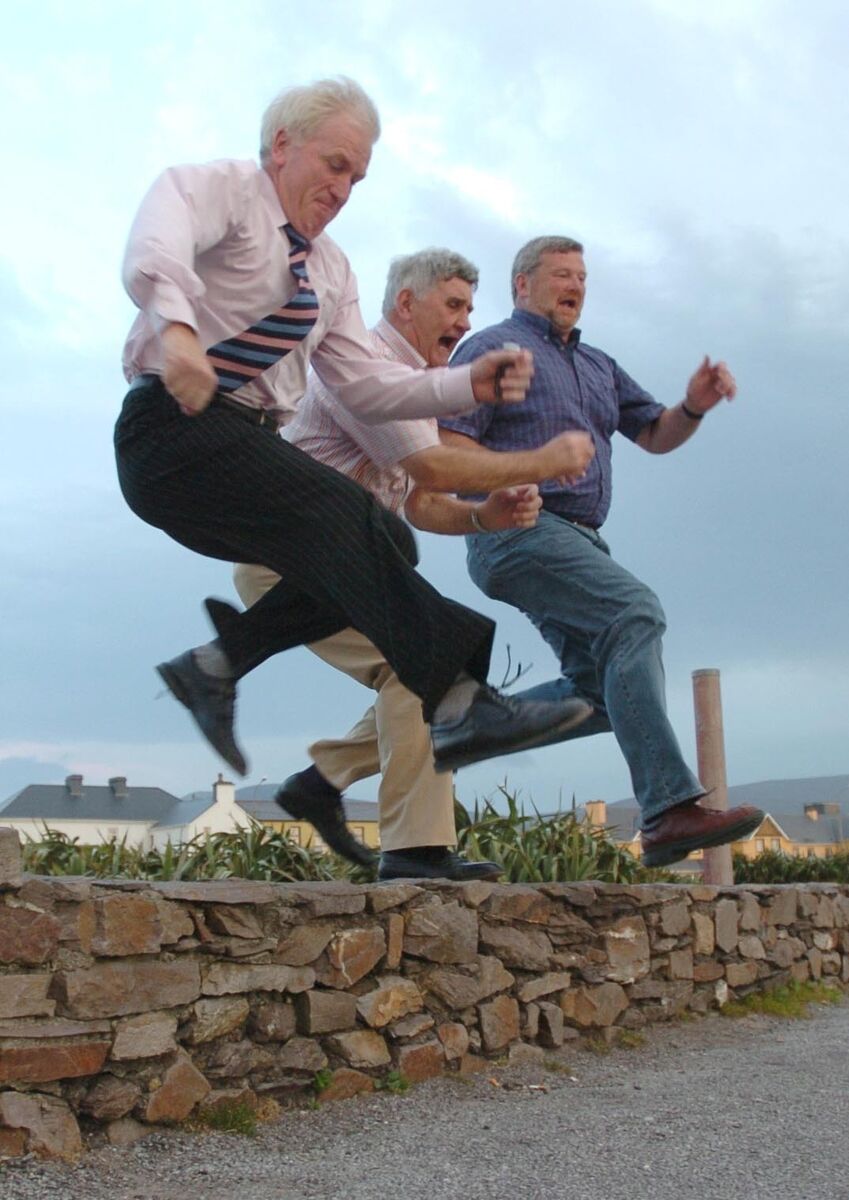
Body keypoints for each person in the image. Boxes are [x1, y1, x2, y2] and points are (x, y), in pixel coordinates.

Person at [114, 79, 583, 791]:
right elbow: (158, 242)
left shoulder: (329, 271)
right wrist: (177, 332)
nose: (342, 188)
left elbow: (367, 382)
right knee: (344, 513)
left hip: (242, 442)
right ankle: (458, 696)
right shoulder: (220, 190)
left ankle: (215, 665)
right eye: (334, 165)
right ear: (282, 145)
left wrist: (465, 385)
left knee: (390, 540)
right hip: (171, 431)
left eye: (356, 177)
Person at [232, 247, 595, 881]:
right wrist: (543, 461)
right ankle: (413, 850)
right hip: (290, 562)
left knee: (433, 661)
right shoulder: (367, 372)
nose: (464, 322)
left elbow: (423, 502)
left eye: (469, 309)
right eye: (453, 305)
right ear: (406, 303)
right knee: (422, 666)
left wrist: (485, 515)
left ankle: (322, 783)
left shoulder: (418, 391)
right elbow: (433, 469)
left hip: (342, 561)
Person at [437, 236, 764, 868]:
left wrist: (694, 404)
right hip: (518, 529)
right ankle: (669, 809)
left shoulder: (598, 366)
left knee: (599, 689)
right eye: (562, 273)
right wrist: (509, 480)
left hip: (579, 541)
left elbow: (653, 433)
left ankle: (475, 724)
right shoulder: (490, 350)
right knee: (635, 612)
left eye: (582, 276)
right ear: (522, 285)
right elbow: (450, 446)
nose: (576, 285)